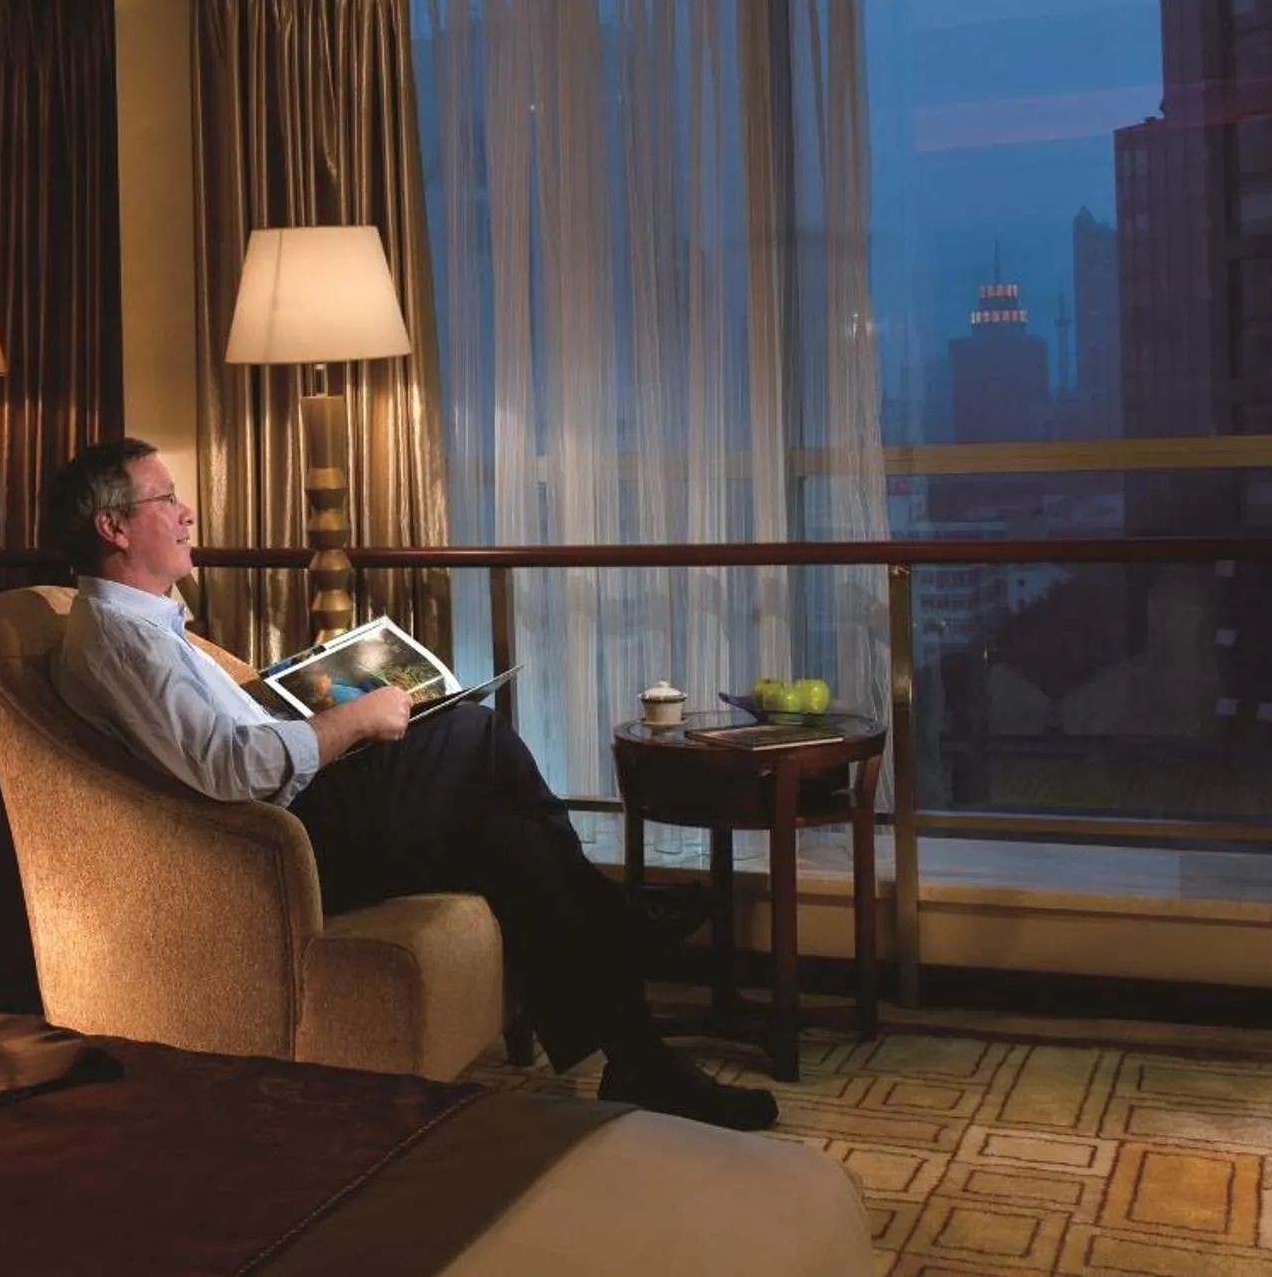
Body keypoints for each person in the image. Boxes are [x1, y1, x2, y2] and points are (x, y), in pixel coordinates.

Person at [40, 437, 777, 1131]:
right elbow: (234, 771)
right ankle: (620, 924)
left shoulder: (150, 628)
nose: (186, 512)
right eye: (166, 499)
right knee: (473, 734)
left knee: (510, 840)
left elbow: (220, 738)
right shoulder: (121, 640)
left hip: (293, 816)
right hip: (275, 850)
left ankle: (640, 1060)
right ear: (114, 527)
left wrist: (300, 687)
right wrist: (356, 719)